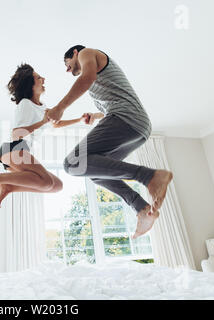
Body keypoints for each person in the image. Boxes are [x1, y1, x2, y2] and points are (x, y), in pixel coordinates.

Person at [47, 45, 173, 239]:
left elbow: (87, 79)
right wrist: (94, 116)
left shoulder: (86, 52)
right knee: (95, 173)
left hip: (126, 119)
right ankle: (141, 208)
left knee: (73, 163)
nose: (67, 69)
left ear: (74, 53)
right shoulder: (97, 73)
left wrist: (60, 107)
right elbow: (109, 101)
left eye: (67, 63)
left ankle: (149, 177)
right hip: (138, 127)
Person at [0, 63, 89, 208]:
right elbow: (17, 134)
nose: (43, 79)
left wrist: (80, 120)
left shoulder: (42, 107)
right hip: (14, 148)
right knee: (46, 181)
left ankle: (9, 187)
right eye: (38, 77)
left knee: (56, 186)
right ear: (30, 84)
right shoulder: (25, 104)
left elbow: (56, 123)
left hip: (19, 151)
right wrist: (42, 122)